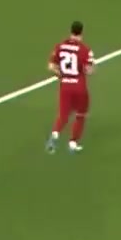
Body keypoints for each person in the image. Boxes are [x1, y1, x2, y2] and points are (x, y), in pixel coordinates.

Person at [46, 21, 95, 154]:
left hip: (65, 86)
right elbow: (89, 70)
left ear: (71, 31)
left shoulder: (60, 46)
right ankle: (73, 143)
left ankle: (55, 135)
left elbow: (51, 66)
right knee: (80, 114)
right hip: (79, 87)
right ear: (82, 32)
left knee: (63, 115)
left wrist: (61, 75)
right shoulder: (85, 50)